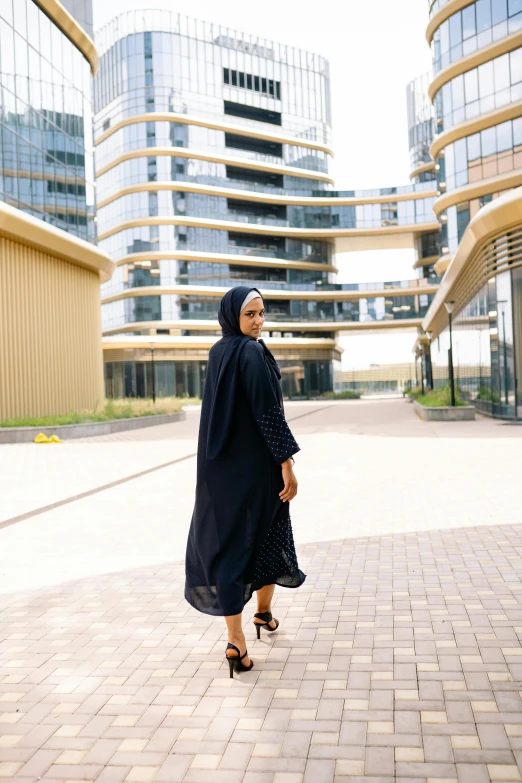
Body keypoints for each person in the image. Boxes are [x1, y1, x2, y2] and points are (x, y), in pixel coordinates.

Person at [185, 286, 305, 677]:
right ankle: (260, 615)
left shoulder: (219, 351)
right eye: (250, 314)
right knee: (269, 533)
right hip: (256, 467)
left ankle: (239, 636)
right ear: (233, 316)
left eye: (262, 313)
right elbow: (268, 412)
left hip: (219, 469)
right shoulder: (251, 352)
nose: (258, 321)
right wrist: (286, 463)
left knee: (231, 544)